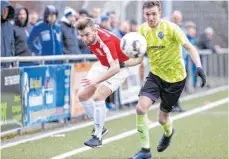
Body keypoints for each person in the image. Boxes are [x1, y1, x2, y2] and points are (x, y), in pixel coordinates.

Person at [123, 1, 206, 158]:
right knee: (141, 108)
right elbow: (139, 59)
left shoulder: (171, 28)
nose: (151, 17)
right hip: (155, 76)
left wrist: (199, 67)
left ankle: (168, 133)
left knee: (162, 119)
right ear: (143, 14)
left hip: (175, 79)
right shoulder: (142, 30)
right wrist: (122, 63)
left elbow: (190, 47)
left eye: (154, 14)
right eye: (148, 14)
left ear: (159, 12)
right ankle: (145, 151)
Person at [75, 17, 143, 148]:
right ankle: (100, 126)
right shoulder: (90, 36)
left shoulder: (105, 41)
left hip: (119, 68)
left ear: (95, 31)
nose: (85, 39)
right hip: (103, 64)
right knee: (82, 95)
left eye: (87, 35)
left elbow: (115, 68)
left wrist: (96, 81)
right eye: (82, 36)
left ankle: (98, 136)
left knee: (99, 96)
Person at [171, 10, 186, 112]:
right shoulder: (171, 29)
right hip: (173, 61)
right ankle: (173, 105)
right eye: (175, 18)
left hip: (181, 60)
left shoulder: (181, 29)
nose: (177, 19)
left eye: (178, 18)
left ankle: (175, 104)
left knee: (179, 84)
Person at [1, 0, 15, 68]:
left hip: (7, 65)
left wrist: (11, 62)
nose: (5, 12)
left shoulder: (9, 26)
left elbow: (12, 45)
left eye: (7, 10)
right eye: (3, 10)